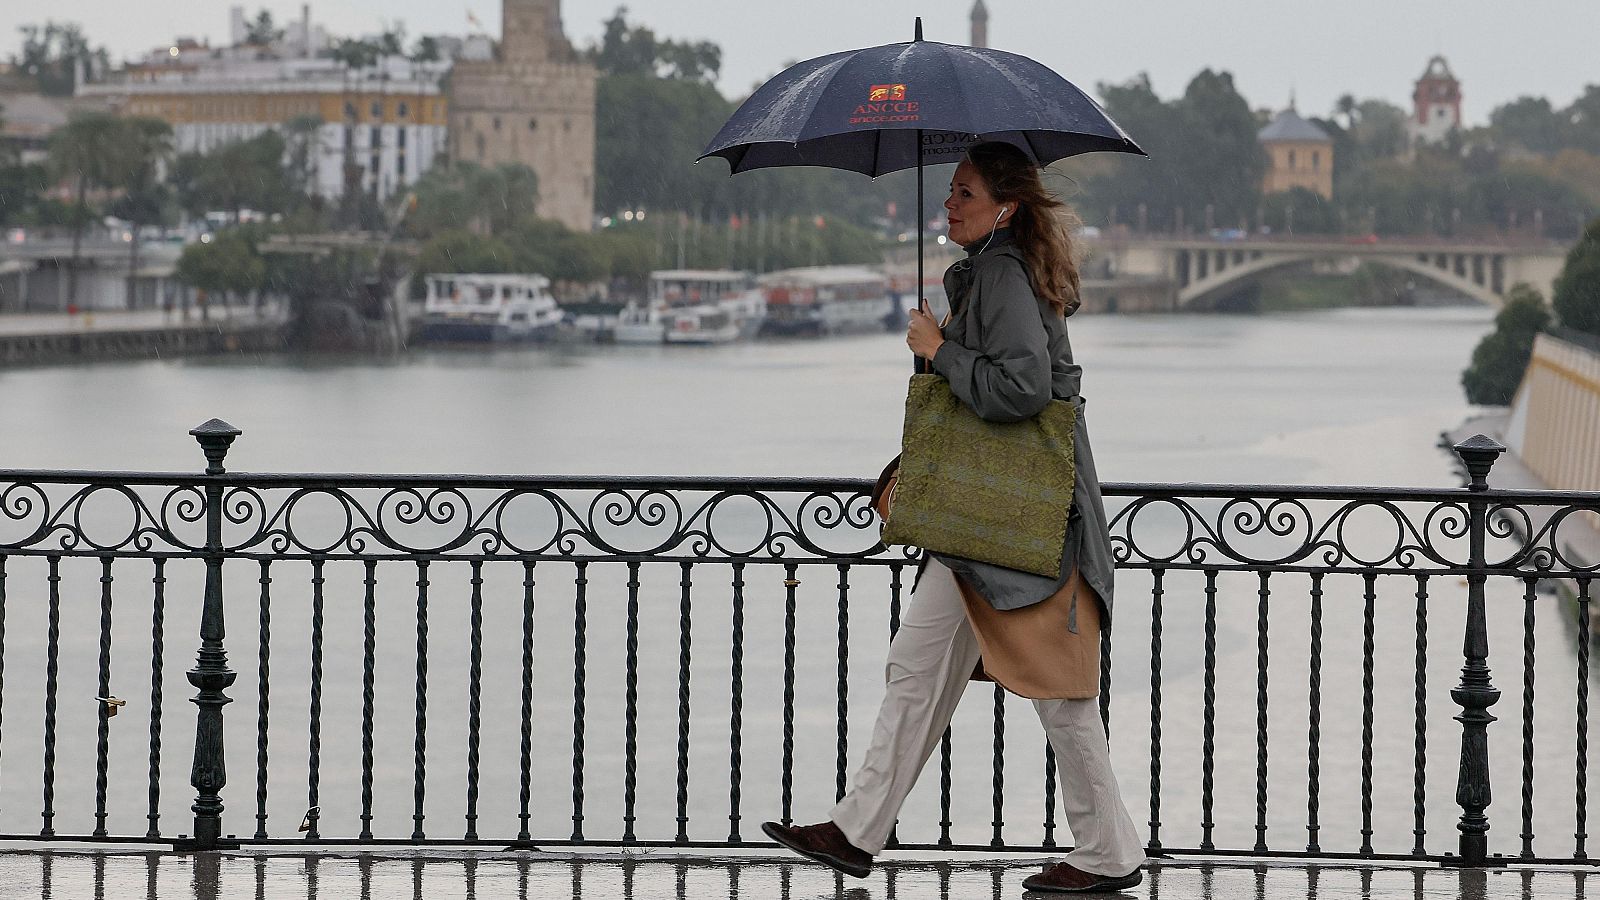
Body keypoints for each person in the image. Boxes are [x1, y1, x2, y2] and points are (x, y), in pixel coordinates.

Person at [761, 141, 1146, 894]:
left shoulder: (1000, 273)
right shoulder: (993, 273)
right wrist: (944, 345)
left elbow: (1024, 389)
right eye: (948, 192)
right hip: (986, 526)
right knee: (919, 669)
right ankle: (856, 830)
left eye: (962, 193)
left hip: (1020, 525)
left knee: (1059, 696)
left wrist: (939, 351)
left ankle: (1107, 853)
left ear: (1003, 205)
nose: (948, 205)